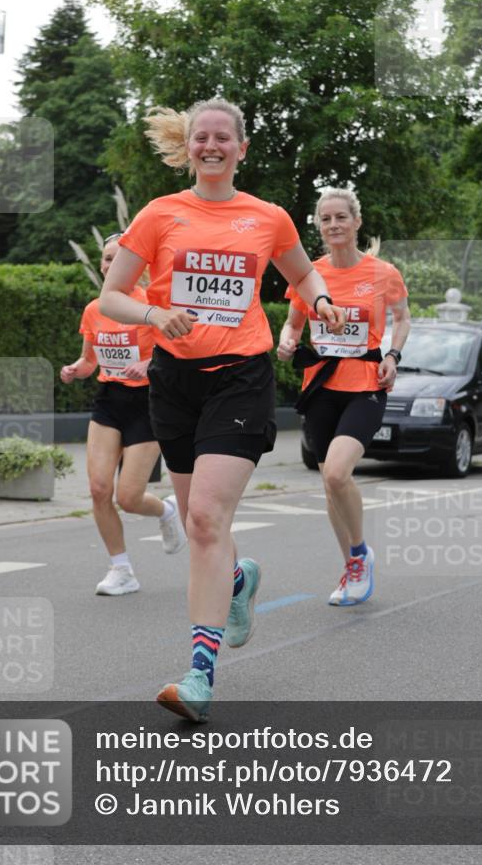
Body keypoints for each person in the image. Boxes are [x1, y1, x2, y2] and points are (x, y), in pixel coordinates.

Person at [100, 98, 345, 722]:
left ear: (240, 148)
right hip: (173, 382)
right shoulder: (160, 215)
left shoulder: (267, 218)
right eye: (201, 138)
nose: (211, 146)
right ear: (191, 148)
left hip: (240, 377)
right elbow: (111, 297)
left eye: (222, 138)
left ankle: (199, 673)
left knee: (206, 519)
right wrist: (155, 313)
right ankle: (237, 582)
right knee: (196, 521)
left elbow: (302, 275)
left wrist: (320, 303)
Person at [278, 188, 410, 606]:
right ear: (319, 227)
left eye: (340, 218)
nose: (333, 225)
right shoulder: (308, 274)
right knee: (330, 485)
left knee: (337, 473)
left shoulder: (383, 273)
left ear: (356, 222)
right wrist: (286, 343)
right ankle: (352, 564)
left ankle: (358, 555)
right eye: (325, 219)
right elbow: (293, 325)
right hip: (320, 386)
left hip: (366, 385)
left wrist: (392, 354)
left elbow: (403, 318)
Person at [60, 234, 186, 597]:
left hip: (148, 403)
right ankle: (121, 569)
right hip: (110, 400)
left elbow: (177, 353)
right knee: (99, 489)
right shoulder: (94, 309)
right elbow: (89, 359)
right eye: (106, 258)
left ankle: (165, 511)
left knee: (128, 497)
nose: (110, 264)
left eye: (119, 258)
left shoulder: (153, 304)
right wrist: (75, 369)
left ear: (138, 266)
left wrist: (148, 365)